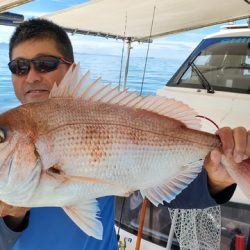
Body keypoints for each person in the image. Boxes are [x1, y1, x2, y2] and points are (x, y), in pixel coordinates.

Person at [0, 18, 249, 250]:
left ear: (70, 68)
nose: (31, 76)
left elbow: (168, 193)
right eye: (19, 67)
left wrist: (215, 180)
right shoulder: (10, 129)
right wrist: (13, 217)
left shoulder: (99, 113)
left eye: (45, 63)